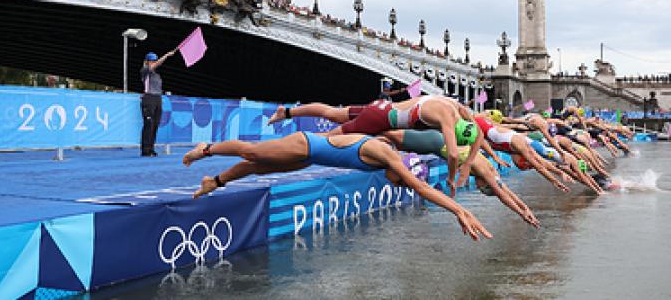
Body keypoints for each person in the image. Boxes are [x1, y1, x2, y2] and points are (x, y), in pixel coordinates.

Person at [182, 133, 493, 241]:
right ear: (404, 171)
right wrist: (459, 210)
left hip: (310, 157)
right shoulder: (388, 157)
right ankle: (206, 149)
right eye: (404, 184)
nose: (402, 187)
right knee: (253, 152)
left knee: (257, 167)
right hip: (306, 145)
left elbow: (418, 187)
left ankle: (216, 181)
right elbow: (423, 189)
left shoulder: (389, 160)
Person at [267, 96, 482, 197]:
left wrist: (471, 159)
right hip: (380, 120)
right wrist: (453, 179)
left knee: (331, 112)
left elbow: (479, 133)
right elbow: (453, 154)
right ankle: (286, 146)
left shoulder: (455, 107)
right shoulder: (447, 119)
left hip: (380, 106)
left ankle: (285, 112)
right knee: (327, 140)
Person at [382, 129, 540, 227]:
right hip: (434, 143)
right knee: (385, 136)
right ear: (486, 183)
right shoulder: (485, 172)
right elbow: (502, 195)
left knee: (388, 139)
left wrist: (524, 208)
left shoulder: (493, 174)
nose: (479, 188)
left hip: (439, 142)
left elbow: (506, 192)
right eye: (483, 188)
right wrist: (521, 214)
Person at [140, 49, 176, 157]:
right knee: (149, 124)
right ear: (147, 61)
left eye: (155, 60)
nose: (154, 62)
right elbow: (156, 65)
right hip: (149, 98)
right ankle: (145, 149)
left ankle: (151, 148)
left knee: (155, 125)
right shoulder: (145, 70)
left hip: (157, 98)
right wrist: (166, 55)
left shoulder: (157, 75)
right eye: (152, 61)